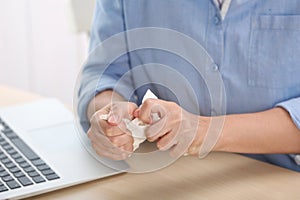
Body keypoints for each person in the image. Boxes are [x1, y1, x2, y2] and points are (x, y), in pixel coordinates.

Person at [78, 0, 300, 172]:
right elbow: (104, 71)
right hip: (168, 176)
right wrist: (109, 114)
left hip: (279, 178)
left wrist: (203, 131)